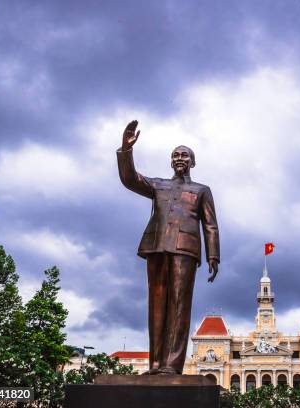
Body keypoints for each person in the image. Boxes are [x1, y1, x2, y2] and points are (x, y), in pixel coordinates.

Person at [117, 120, 220, 375]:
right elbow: (130, 180)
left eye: (184, 155)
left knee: (179, 304)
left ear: (192, 162)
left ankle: (171, 365)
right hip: (157, 246)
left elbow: (211, 225)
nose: (179, 158)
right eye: (175, 155)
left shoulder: (201, 190)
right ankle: (155, 364)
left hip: (185, 249)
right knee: (157, 304)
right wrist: (126, 150)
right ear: (171, 161)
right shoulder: (158, 185)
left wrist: (213, 255)